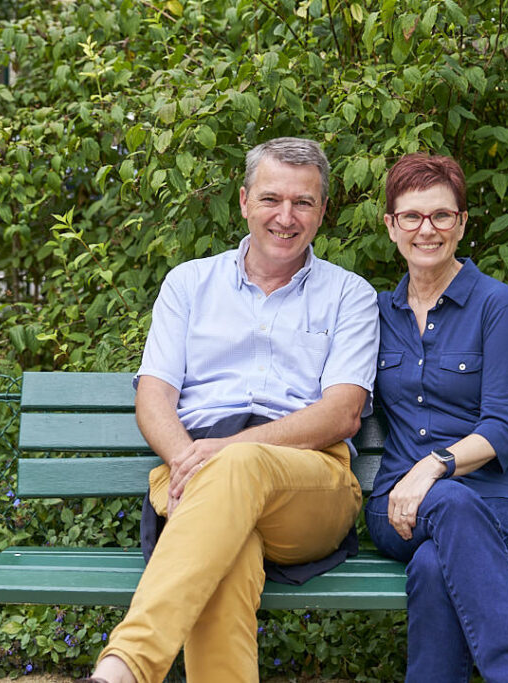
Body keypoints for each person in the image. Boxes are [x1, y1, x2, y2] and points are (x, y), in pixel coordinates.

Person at [84, 137, 380, 683]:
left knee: (239, 466)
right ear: (244, 201)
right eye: (271, 199)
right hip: (191, 470)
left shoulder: (350, 295)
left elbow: (342, 413)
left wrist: (224, 453)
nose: (285, 217)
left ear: (321, 212)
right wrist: (185, 459)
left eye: (303, 203)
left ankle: (125, 667)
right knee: (227, 557)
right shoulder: (189, 284)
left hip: (309, 480)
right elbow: (153, 397)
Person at [364, 153, 508, 683]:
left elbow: (504, 424)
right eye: (411, 217)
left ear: (462, 223)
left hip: (502, 505)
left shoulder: (496, 304)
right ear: (391, 226)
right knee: (442, 511)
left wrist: (433, 468)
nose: (427, 230)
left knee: (432, 565)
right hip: (396, 510)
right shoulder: (373, 314)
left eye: (442, 216)